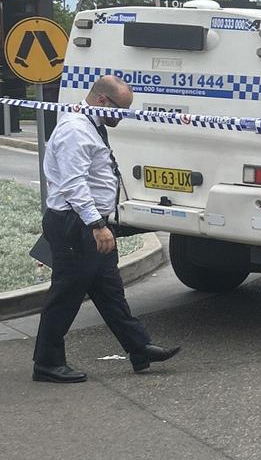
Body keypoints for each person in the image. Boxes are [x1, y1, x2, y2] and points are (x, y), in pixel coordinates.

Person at [33, 75, 180, 383]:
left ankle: (140, 349)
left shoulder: (91, 124)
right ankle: (47, 363)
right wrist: (97, 225)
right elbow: (74, 184)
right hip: (76, 224)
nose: (122, 116)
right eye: (120, 109)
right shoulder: (76, 130)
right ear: (102, 100)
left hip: (88, 223)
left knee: (110, 291)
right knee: (66, 294)